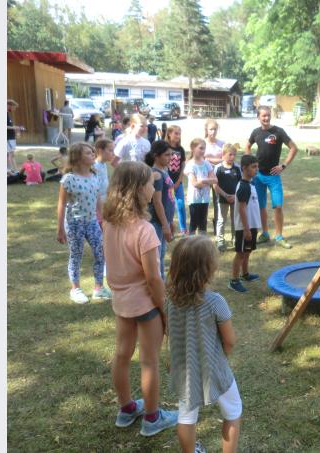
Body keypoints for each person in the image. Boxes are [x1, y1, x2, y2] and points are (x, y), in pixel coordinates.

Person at [102, 161, 179, 437]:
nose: (153, 187)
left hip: (121, 302)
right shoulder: (145, 231)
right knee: (149, 361)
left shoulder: (109, 223)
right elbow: (154, 279)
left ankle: (126, 409)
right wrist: (165, 310)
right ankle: (152, 417)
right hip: (146, 305)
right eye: (150, 183)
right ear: (138, 190)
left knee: (121, 355)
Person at [165, 235, 242, 453]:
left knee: (186, 415)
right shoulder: (215, 302)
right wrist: (223, 357)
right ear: (208, 268)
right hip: (215, 369)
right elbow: (230, 340)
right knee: (233, 412)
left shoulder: (169, 300)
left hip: (184, 370)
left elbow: (170, 331)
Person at [55, 142, 111, 304]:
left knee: (101, 252)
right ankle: (76, 289)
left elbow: (98, 199)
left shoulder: (94, 177)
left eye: (93, 152)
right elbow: (61, 204)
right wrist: (60, 229)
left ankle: (99, 288)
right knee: (76, 255)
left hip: (92, 222)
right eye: (88, 153)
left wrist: (103, 220)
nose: (93, 154)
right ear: (77, 157)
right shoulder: (68, 179)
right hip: (74, 223)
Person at [244, 105, 298, 249]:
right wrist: (251, 163)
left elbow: (294, 148)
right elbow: (247, 146)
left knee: (278, 206)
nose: (266, 118)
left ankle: (279, 236)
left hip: (274, 176)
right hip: (259, 177)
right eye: (263, 116)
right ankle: (265, 234)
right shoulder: (255, 132)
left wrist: (283, 165)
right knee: (261, 207)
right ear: (258, 117)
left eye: (268, 115)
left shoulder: (278, 132)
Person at [228, 154, 261, 293]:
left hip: (251, 226)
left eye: (257, 167)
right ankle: (234, 281)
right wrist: (246, 230)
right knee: (240, 253)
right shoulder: (243, 187)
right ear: (244, 168)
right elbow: (241, 209)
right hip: (244, 228)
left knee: (247, 251)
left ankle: (245, 274)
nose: (256, 169)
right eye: (253, 167)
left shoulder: (250, 184)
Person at [145, 141, 176, 277]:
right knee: (157, 256)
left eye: (171, 154)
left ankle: (160, 282)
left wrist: (170, 221)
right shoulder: (156, 174)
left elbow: (168, 198)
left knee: (161, 253)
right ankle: (158, 284)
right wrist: (165, 225)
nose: (170, 157)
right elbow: (157, 202)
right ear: (156, 156)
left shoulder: (164, 171)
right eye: (166, 155)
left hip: (164, 220)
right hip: (156, 221)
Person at [184, 138, 217, 236]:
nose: (203, 151)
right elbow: (195, 183)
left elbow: (215, 180)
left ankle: (202, 244)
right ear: (193, 148)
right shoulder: (190, 165)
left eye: (204, 149)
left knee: (203, 222)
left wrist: (203, 180)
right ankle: (191, 243)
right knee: (194, 223)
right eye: (201, 148)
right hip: (194, 199)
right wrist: (207, 181)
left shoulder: (206, 164)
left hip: (205, 199)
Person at [213, 143, 242, 252]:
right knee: (221, 220)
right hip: (222, 199)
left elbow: (241, 183)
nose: (232, 157)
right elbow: (215, 185)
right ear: (223, 155)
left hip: (235, 199)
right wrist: (225, 195)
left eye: (234, 155)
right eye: (230, 155)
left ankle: (235, 238)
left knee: (235, 219)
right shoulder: (218, 168)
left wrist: (235, 196)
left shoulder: (237, 168)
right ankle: (220, 240)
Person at [165, 125, 188, 236]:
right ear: (169, 134)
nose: (178, 136)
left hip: (178, 182)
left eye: (179, 133)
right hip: (165, 182)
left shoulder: (180, 149)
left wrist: (179, 180)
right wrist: (167, 181)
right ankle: (168, 227)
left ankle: (183, 228)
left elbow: (183, 165)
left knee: (180, 205)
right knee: (168, 205)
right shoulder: (164, 147)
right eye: (176, 133)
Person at [204, 119, 225, 236]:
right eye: (211, 129)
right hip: (205, 176)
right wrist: (215, 160)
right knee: (204, 201)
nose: (213, 131)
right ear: (206, 130)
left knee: (218, 201)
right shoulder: (202, 143)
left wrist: (209, 160)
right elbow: (200, 159)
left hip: (218, 176)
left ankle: (217, 224)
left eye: (215, 129)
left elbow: (225, 158)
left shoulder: (222, 143)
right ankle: (203, 225)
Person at [94, 138, 115, 225]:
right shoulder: (94, 166)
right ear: (100, 151)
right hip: (97, 205)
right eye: (110, 150)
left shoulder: (103, 164)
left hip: (104, 201)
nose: (113, 153)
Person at [7, 99, 24, 173]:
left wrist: (17, 127)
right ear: (9, 106)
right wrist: (15, 127)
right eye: (14, 107)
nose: (14, 109)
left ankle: (10, 169)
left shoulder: (7, 114)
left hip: (11, 137)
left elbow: (9, 125)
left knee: (9, 154)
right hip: (8, 137)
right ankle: (14, 170)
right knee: (11, 154)